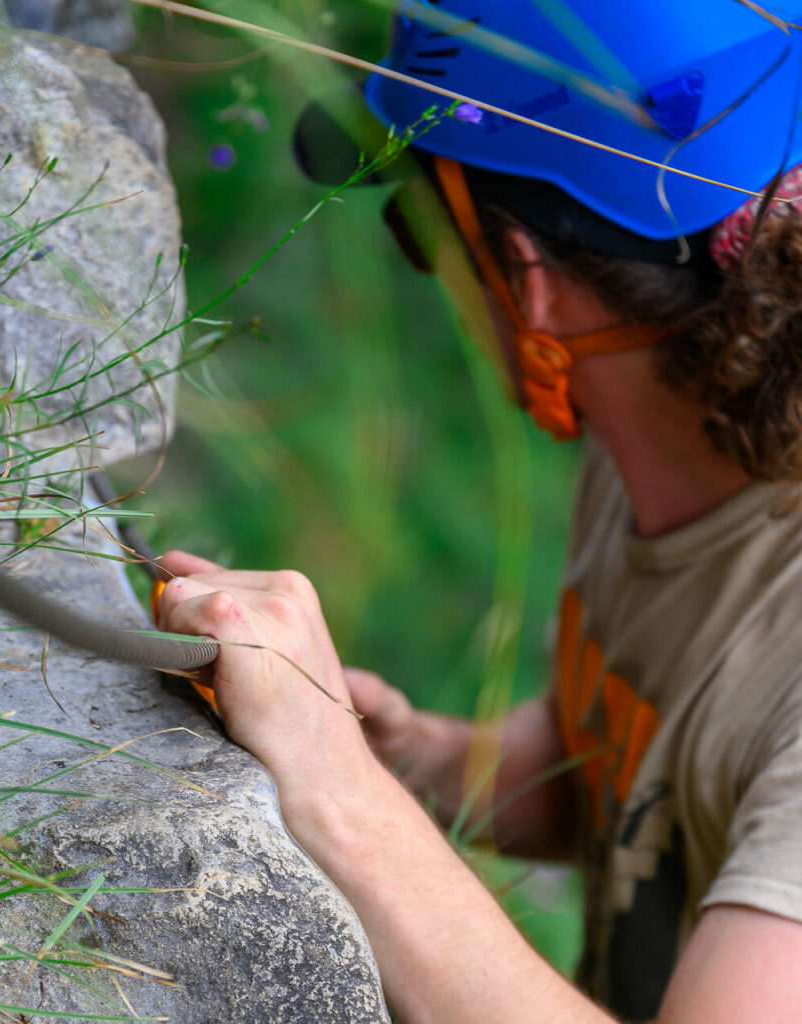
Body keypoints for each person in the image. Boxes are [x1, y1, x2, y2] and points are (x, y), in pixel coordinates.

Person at [158, 2, 802, 1021]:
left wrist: (339, 790)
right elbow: (645, 773)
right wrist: (417, 756)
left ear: (524, 276)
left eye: (419, 229)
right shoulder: (655, 441)